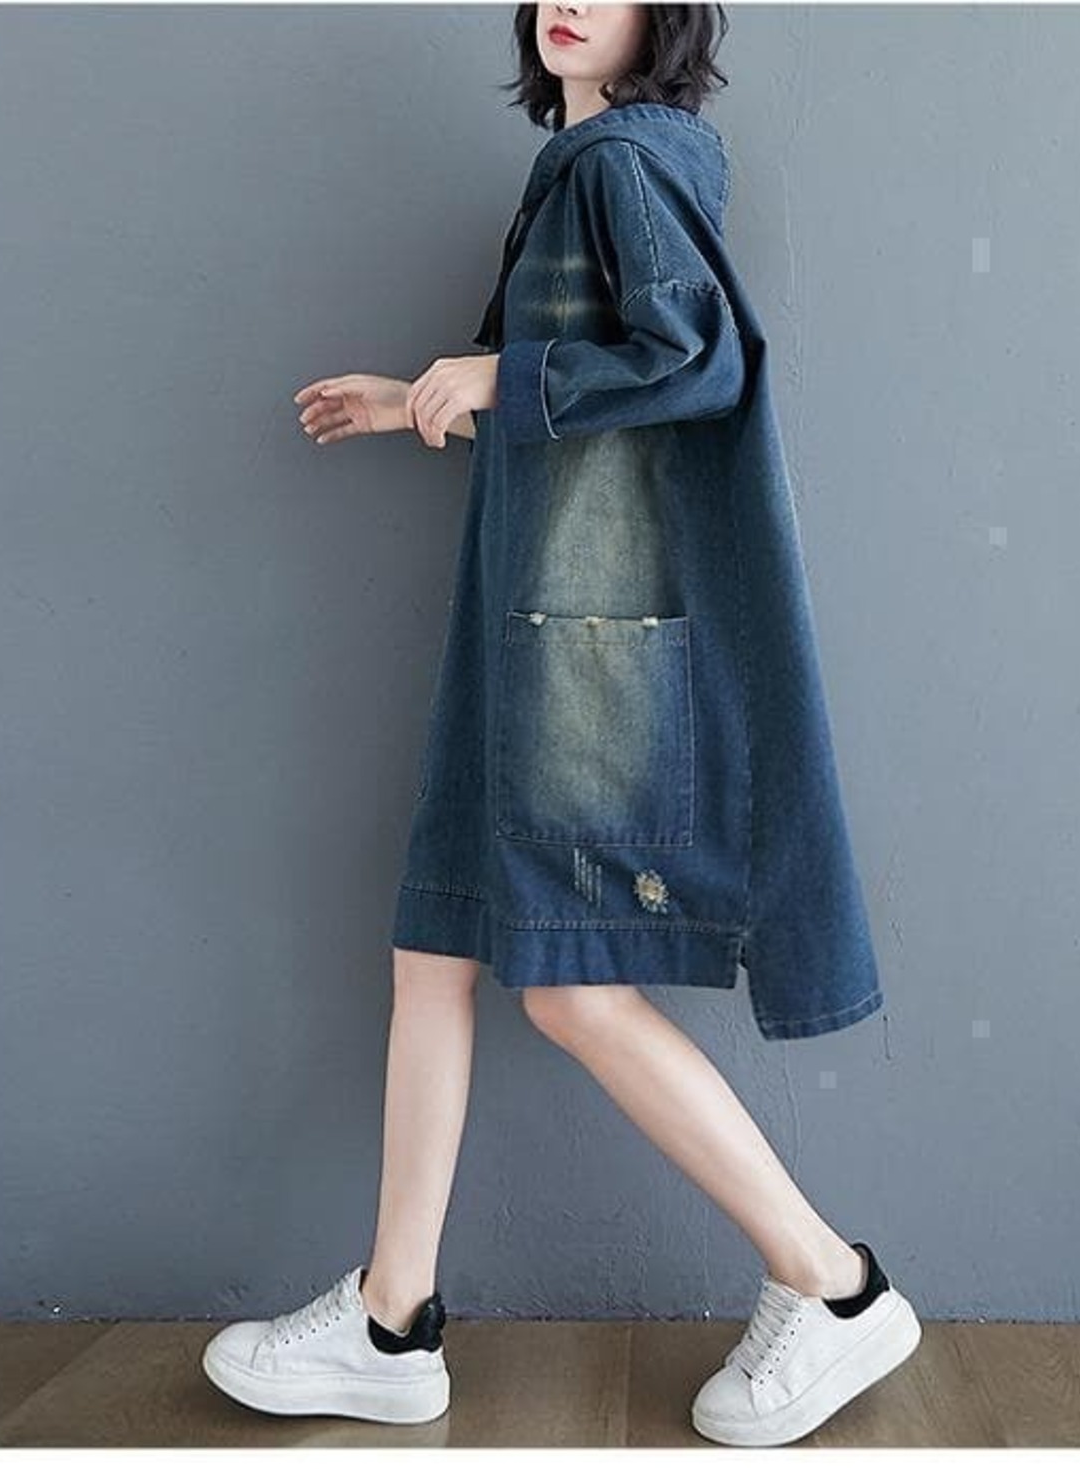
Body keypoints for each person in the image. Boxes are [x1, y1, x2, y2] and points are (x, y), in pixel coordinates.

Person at [202, 2, 921, 1448]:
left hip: (584, 654)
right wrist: (422, 397)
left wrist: (498, 375)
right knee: (436, 946)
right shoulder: (591, 168)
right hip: (534, 632)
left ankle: (832, 1283)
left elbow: (701, 358)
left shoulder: (621, 166)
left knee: (570, 991)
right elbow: (587, 396)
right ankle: (393, 1320)